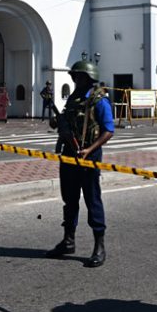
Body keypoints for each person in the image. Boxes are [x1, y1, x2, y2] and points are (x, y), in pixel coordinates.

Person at [45, 59, 115, 268]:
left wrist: (89, 150)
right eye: (74, 76)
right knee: (70, 199)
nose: (75, 79)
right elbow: (66, 121)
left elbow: (108, 130)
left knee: (92, 199)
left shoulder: (99, 100)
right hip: (69, 154)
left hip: (89, 155)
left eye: (78, 76)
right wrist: (57, 122)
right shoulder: (73, 98)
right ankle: (68, 240)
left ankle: (99, 246)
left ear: (87, 77)